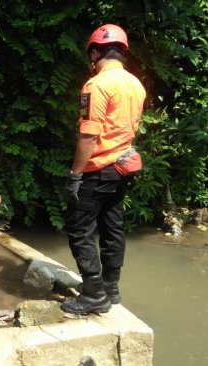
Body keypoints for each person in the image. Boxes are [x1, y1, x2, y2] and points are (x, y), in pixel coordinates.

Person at [61, 24, 146, 315]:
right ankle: (111, 287)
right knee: (112, 225)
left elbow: (89, 135)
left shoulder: (96, 85)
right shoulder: (136, 84)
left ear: (96, 52)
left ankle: (94, 294)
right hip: (122, 168)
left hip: (98, 168)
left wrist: (75, 175)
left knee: (78, 226)